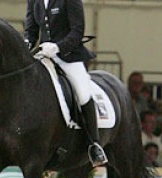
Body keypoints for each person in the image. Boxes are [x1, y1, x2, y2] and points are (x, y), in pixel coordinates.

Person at [24, 0, 107, 166]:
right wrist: (26, 45)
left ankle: (94, 144)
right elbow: (31, 30)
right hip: (43, 55)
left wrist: (57, 47)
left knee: (82, 93)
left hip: (68, 56)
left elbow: (77, 32)